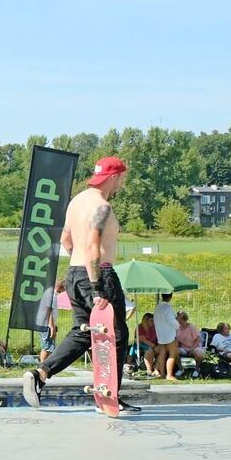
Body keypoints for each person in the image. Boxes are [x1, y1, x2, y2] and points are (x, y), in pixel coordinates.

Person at [22, 157, 141, 415]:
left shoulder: (77, 201)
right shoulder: (102, 206)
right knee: (117, 335)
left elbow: (66, 239)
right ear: (113, 177)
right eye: (122, 178)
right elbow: (92, 246)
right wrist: (97, 286)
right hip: (99, 274)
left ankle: (41, 372)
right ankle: (110, 397)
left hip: (76, 272)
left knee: (83, 331)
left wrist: (74, 276)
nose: (122, 183)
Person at [36, 279, 65, 364]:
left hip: (46, 323)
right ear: (61, 288)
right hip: (46, 324)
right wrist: (52, 327)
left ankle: (44, 363)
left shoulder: (51, 293)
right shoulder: (52, 295)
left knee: (48, 346)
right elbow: (49, 311)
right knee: (47, 346)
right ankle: (43, 365)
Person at [153, 292, 180, 380]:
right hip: (169, 334)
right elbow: (171, 320)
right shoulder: (168, 308)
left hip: (160, 334)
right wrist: (178, 325)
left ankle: (162, 374)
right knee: (172, 354)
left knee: (162, 353)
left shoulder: (157, 307)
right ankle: (169, 375)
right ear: (171, 296)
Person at [136, 312, 159, 376]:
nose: (153, 322)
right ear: (146, 320)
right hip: (143, 344)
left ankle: (156, 369)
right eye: (151, 320)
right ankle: (149, 369)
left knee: (162, 351)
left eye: (154, 320)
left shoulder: (154, 327)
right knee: (149, 350)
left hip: (155, 344)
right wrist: (154, 346)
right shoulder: (140, 327)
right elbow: (143, 340)